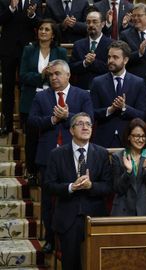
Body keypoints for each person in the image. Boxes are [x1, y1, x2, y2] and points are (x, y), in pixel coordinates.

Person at [28, 59, 94, 254]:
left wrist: (67, 117)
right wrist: (52, 120)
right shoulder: (41, 97)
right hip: (48, 156)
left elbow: (89, 118)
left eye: (57, 74)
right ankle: (49, 239)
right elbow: (32, 121)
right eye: (51, 75)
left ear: (68, 75)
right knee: (49, 201)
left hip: (75, 154)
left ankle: (74, 238)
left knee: (73, 199)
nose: (53, 77)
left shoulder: (82, 95)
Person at [44, 112, 112, 270]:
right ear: (71, 130)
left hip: (95, 217)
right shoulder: (57, 154)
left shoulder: (101, 153)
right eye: (80, 124)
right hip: (68, 217)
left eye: (88, 124)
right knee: (71, 264)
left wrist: (91, 186)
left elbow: (109, 186)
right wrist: (70, 187)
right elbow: (48, 185)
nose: (85, 127)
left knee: (96, 263)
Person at [19, 19, 67, 182]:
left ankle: (50, 172)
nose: (43, 32)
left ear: (53, 34)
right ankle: (31, 171)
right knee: (31, 138)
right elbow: (23, 75)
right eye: (41, 29)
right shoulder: (29, 50)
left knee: (50, 137)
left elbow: (64, 75)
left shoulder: (60, 52)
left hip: (54, 99)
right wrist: (41, 76)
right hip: (31, 99)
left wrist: (52, 76)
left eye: (47, 29)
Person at [90, 40, 146, 148]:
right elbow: (92, 113)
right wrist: (110, 110)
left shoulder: (138, 83)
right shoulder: (97, 82)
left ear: (125, 60)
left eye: (115, 57)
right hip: (103, 140)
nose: (110, 60)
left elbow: (142, 115)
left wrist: (124, 108)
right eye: (109, 57)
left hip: (128, 139)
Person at [0, 0, 41, 134]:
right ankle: (7, 124)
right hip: (8, 50)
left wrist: (31, 15)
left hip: (28, 49)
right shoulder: (4, 1)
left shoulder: (35, 1)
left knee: (26, 86)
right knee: (7, 87)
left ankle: (25, 123)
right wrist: (11, 8)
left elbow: (40, 23)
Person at [111, 118, 146, 216]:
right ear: (129, 137)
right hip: (124, 210)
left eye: (143, 136)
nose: (141, 140)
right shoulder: (118, 157)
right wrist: (128, 172)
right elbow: (117, 189)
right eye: (137, 136)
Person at [69, 10, 113, 90]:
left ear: (102, 24)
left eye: (94, 22)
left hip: (104, 88)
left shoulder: (111, 44)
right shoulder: (78, 44)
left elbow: (111, 68)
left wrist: (93, 62)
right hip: (82, 89)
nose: (91, 25)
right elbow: (72, 67)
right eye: (88, 22)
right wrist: (84, 63)